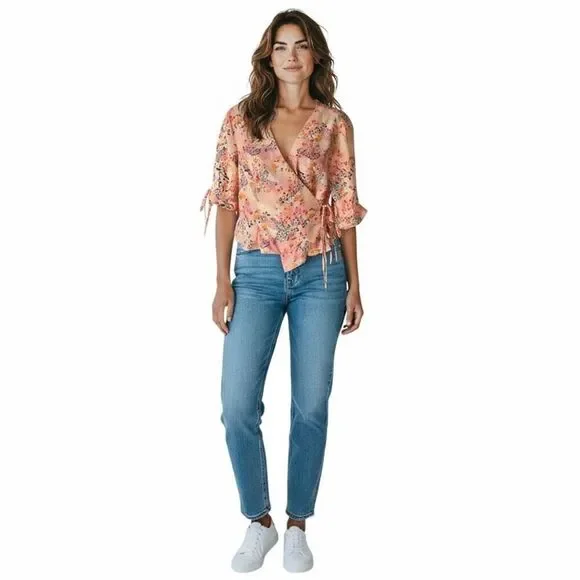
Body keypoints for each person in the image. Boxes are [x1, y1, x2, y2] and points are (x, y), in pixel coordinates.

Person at [200, 9, 367, 573]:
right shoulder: (240, 119)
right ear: (267, 57)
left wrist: (356, 285)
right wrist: (221, 280)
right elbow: (226, 199)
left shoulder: (335, 123)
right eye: (280, 46)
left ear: (315, 55)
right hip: (257, 272)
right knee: (236, 406)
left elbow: (344, 206)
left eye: (300, 45)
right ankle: (260, 520)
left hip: (323, 275)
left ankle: (298, 525)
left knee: (311, 404)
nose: (291, 56)